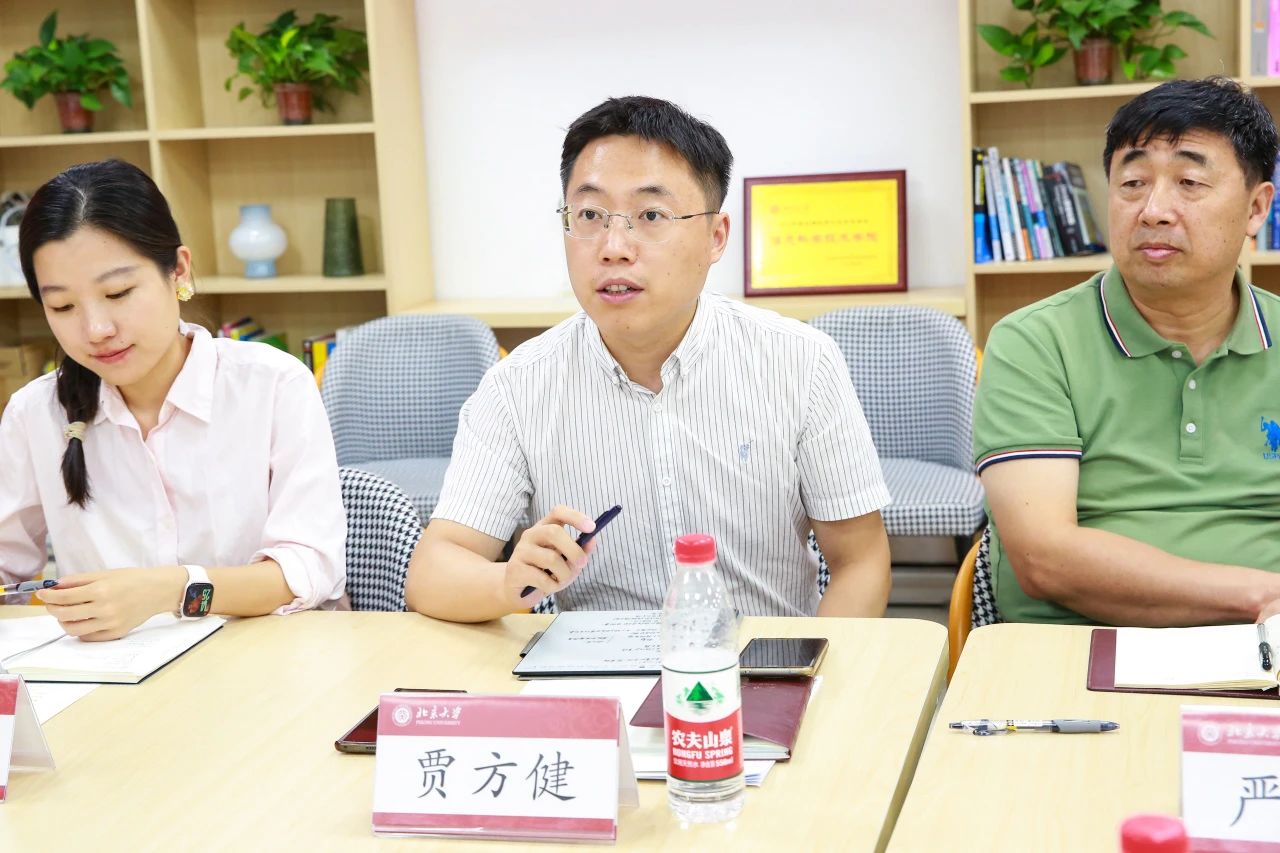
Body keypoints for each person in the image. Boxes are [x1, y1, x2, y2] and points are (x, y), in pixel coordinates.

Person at [406, 96, 891, 622]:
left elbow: (860, 562)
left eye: (651, 215)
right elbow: (434, 572)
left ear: (715, 237)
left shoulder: (800, 362)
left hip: (760, 659)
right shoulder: (517, 387)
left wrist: (810, 665)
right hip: (594, 665)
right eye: (590, 215)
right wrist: (506, 582)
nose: (613, 246)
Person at [974, 77, 1280, 626]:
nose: (1153, 210)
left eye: (1189, 182)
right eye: (1133, 183)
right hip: (1078, 644)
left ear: (1257, 208)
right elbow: (1044, 560)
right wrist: (1260, 595)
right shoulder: (1035, 342)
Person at [0, 159, 347, 640]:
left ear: (178, 271)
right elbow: (7, 569)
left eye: (118, 293)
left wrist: (170, 590)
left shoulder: (272, 385)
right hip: (108, 672)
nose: (96, 329)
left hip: (266, 657)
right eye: (62, 306)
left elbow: (307, 570)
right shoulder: (35, 414)